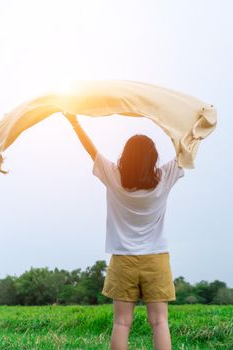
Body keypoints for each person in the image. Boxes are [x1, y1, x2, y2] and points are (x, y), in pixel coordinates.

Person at [64, 112, 184, 350]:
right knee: (160, 322)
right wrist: (182, 124)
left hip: (123, 259)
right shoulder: (164, 177)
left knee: (121, 323)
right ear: (153, 158)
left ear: (125, 157)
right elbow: (186, 150)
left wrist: (74, 121)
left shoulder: (114, 177)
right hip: (156, 258)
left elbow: (91, 150)